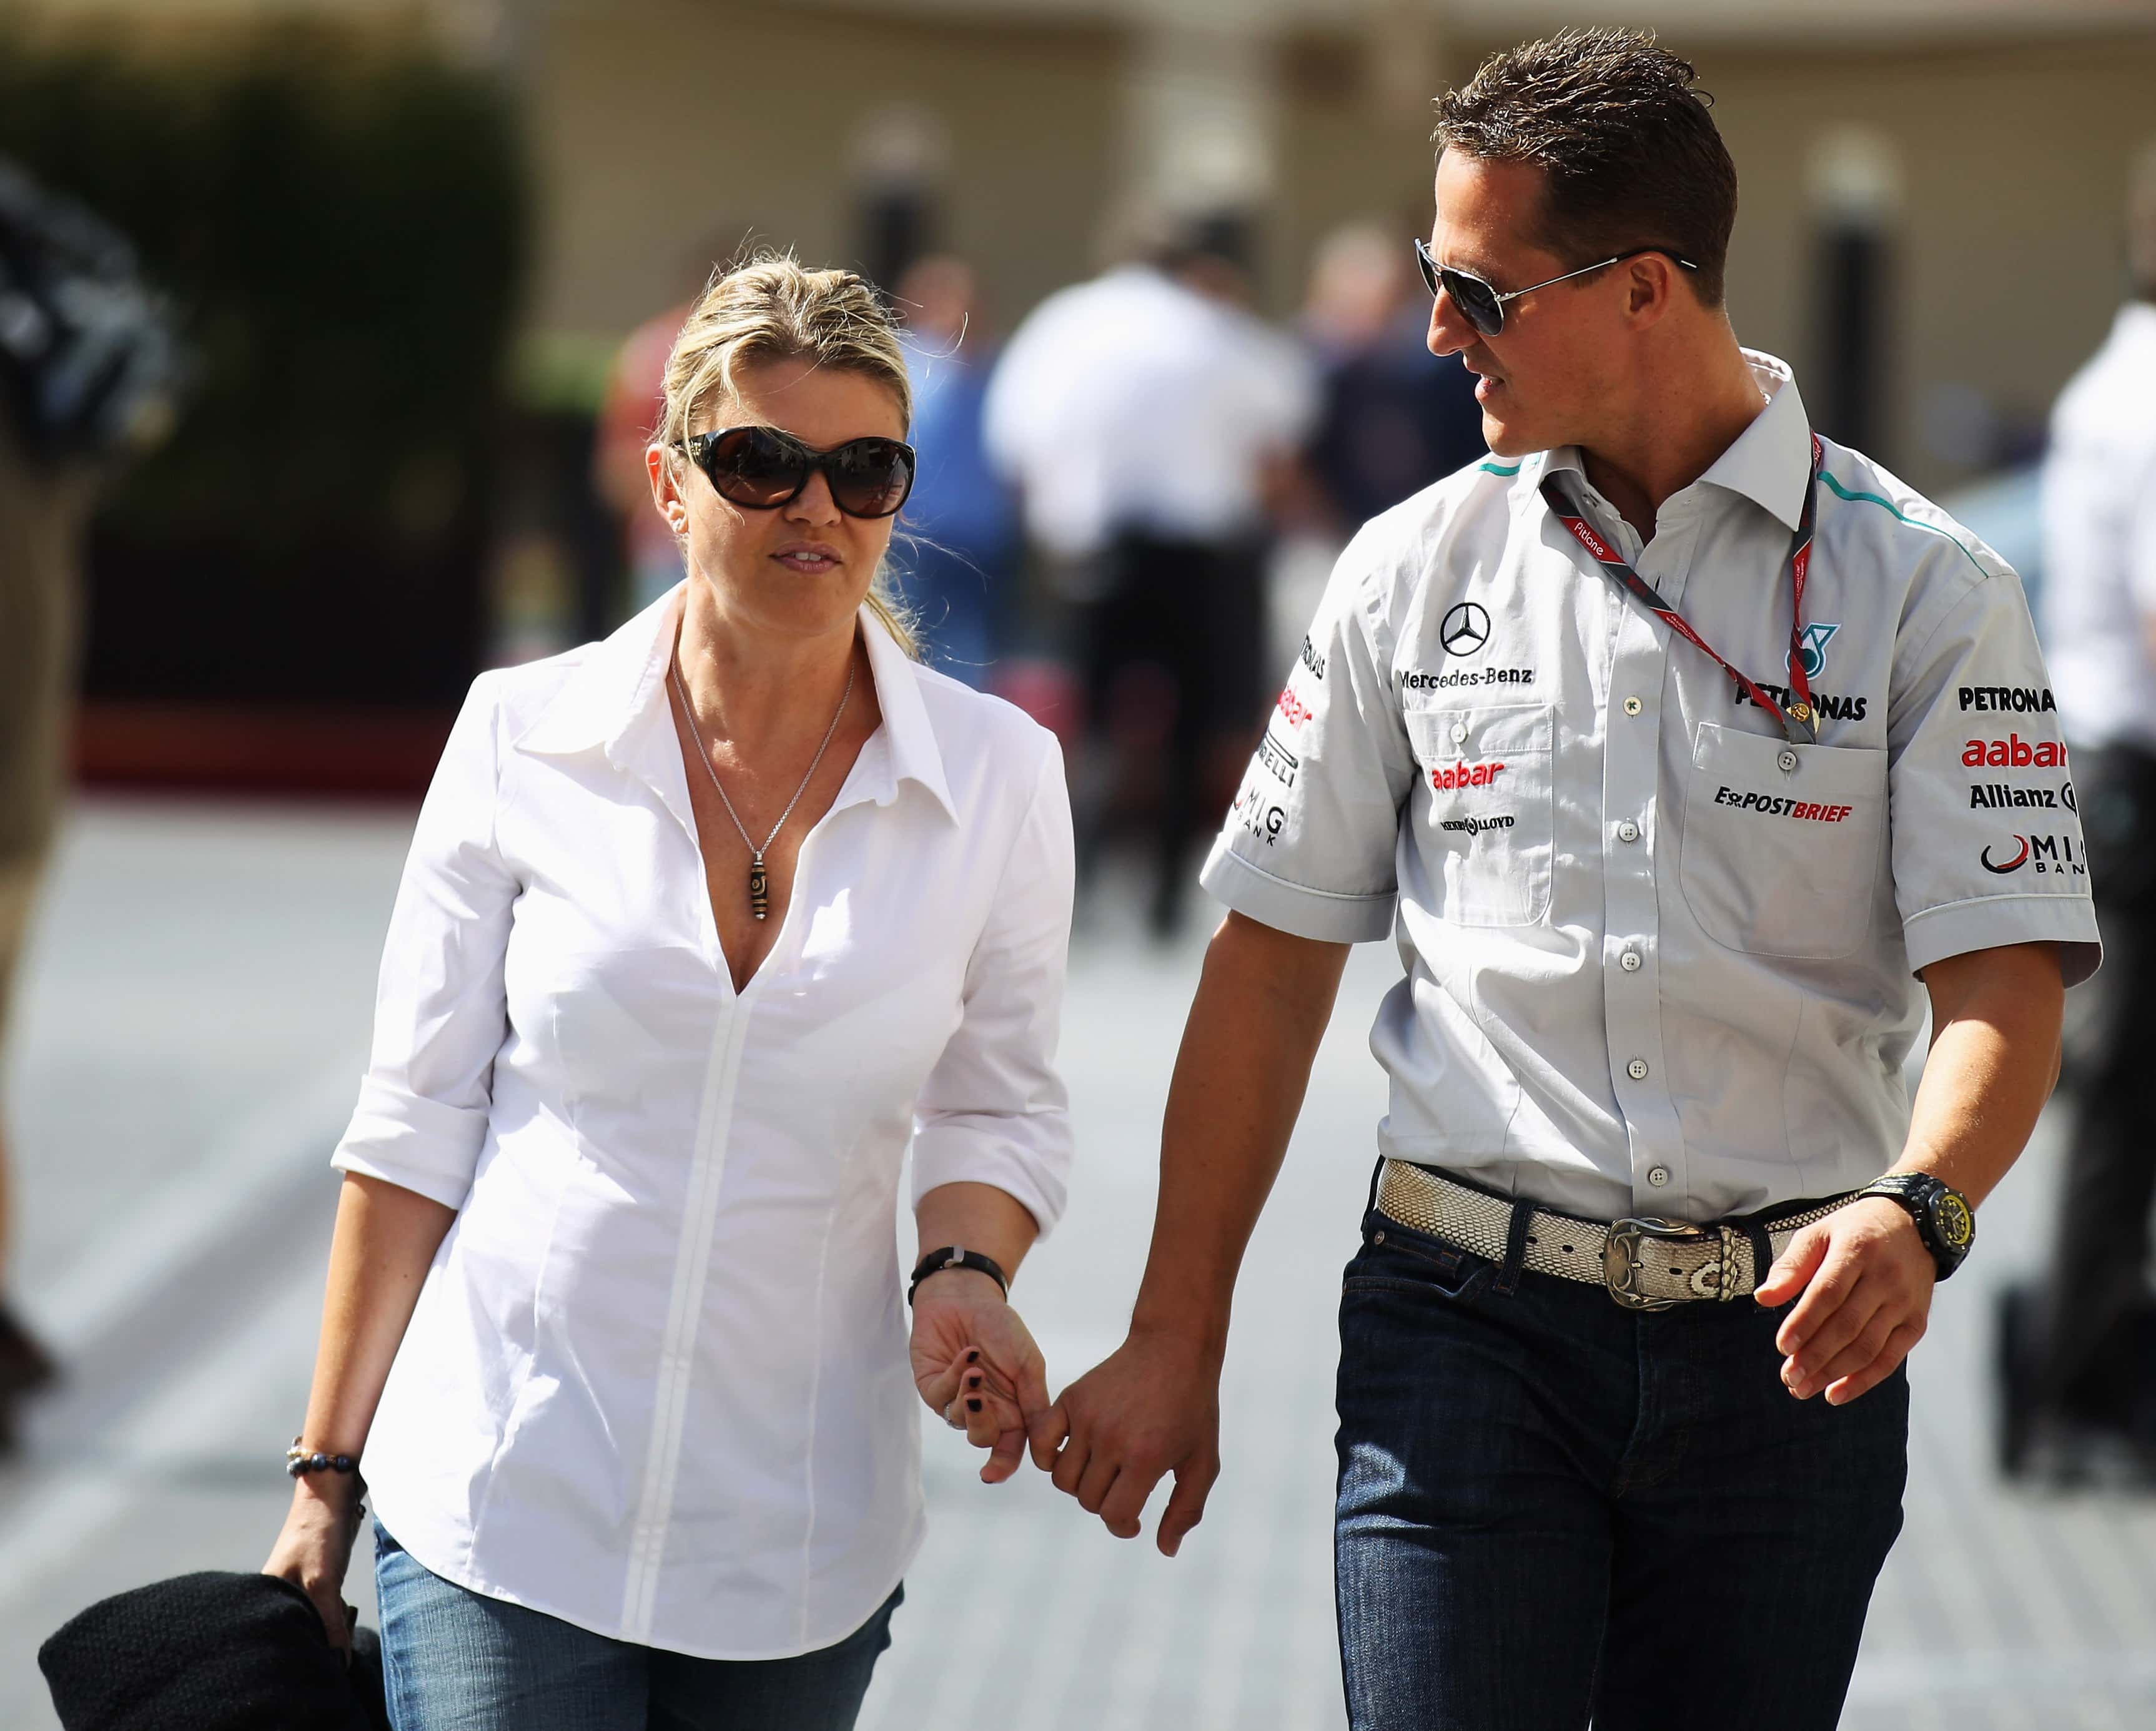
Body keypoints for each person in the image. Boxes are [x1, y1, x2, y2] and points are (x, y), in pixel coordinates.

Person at [1039, 30, 2094, 1731]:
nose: (1434, 330)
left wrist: (1923, 1208)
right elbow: (1267, 963)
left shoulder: (1929, 588)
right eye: (1429, 278)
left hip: (1784, 1356)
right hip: (1460, 1341)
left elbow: (2004, 981)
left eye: (1480, 290)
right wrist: (1175, 1334)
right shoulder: (1404, 568)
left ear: (1645, 289)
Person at [264, 255, 1076, 1730]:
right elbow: (414, 1122)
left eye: (864, 471)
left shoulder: (1001, 778)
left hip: (798, 1540)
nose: (816, 508)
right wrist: (326, 1479)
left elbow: (998, 1107)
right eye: (762, 463)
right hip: (505, 1494)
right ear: (668, 482)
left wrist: (964, 1271)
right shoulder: (520, 734)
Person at [984, 213, 1317, 937]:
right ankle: (1166, 893)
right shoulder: (1219, 329)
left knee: (1089, 719)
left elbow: (1012, 443)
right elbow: (1281, 432)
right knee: (1195, 725)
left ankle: (1076, 879)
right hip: (1204, 553)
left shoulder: (1063, 325)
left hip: (1095, 549)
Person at [2015, 143, 2156, 1481]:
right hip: (2137, 780)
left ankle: (2079, 1385)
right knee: (2120, 1102)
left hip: (2112, 773)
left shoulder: (2112, 381)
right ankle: (2078, 1390)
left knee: (2120, 1098)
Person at [893, 254, 1019, 687]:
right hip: (909, 537)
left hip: (982, 541)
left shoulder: (1002, 366)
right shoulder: (899, 362)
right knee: (902, 649)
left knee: (970, 656)